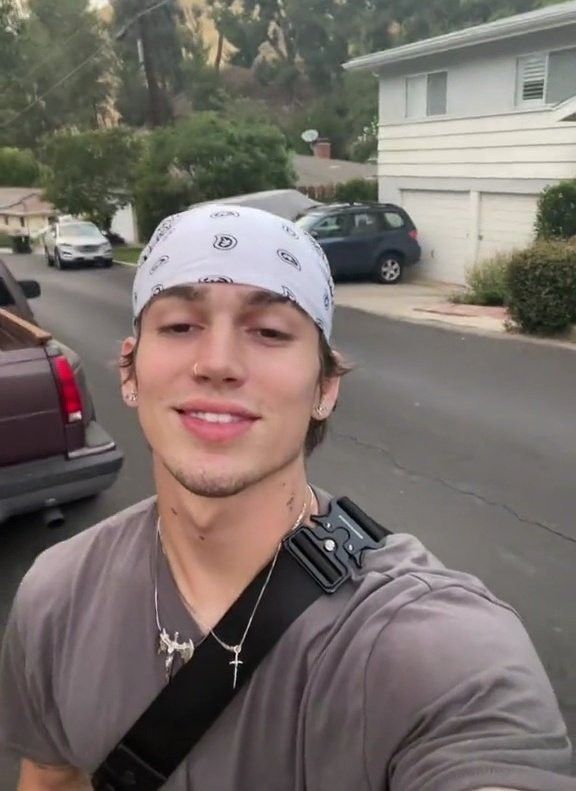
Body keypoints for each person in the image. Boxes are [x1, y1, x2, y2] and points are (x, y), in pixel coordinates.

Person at [0, 205, 573, 791]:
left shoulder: (433, 651)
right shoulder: (57, 596)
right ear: (130, 371)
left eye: (270, 332)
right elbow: (53, 778)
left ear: (325, 388)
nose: (218, 363)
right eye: (179, 326)